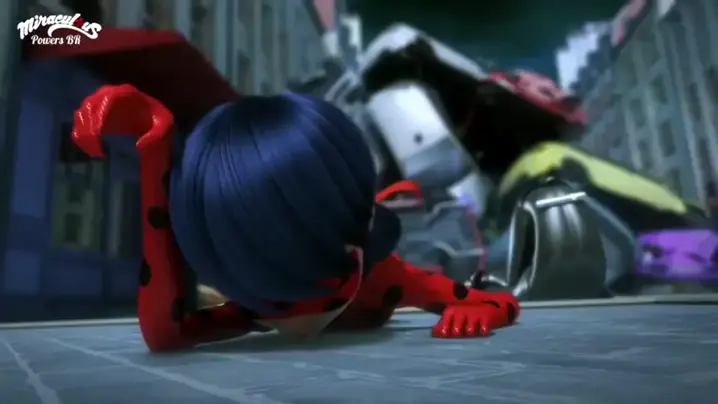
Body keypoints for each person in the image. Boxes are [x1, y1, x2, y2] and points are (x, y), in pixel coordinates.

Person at [71, 84, 520, 352]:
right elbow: (165, 336)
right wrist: (155, 150)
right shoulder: (259, 297)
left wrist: (476, 314)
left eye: (325, 286)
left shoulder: (381, 278)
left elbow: (499, 303)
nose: (299, 316)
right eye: (280, 301)